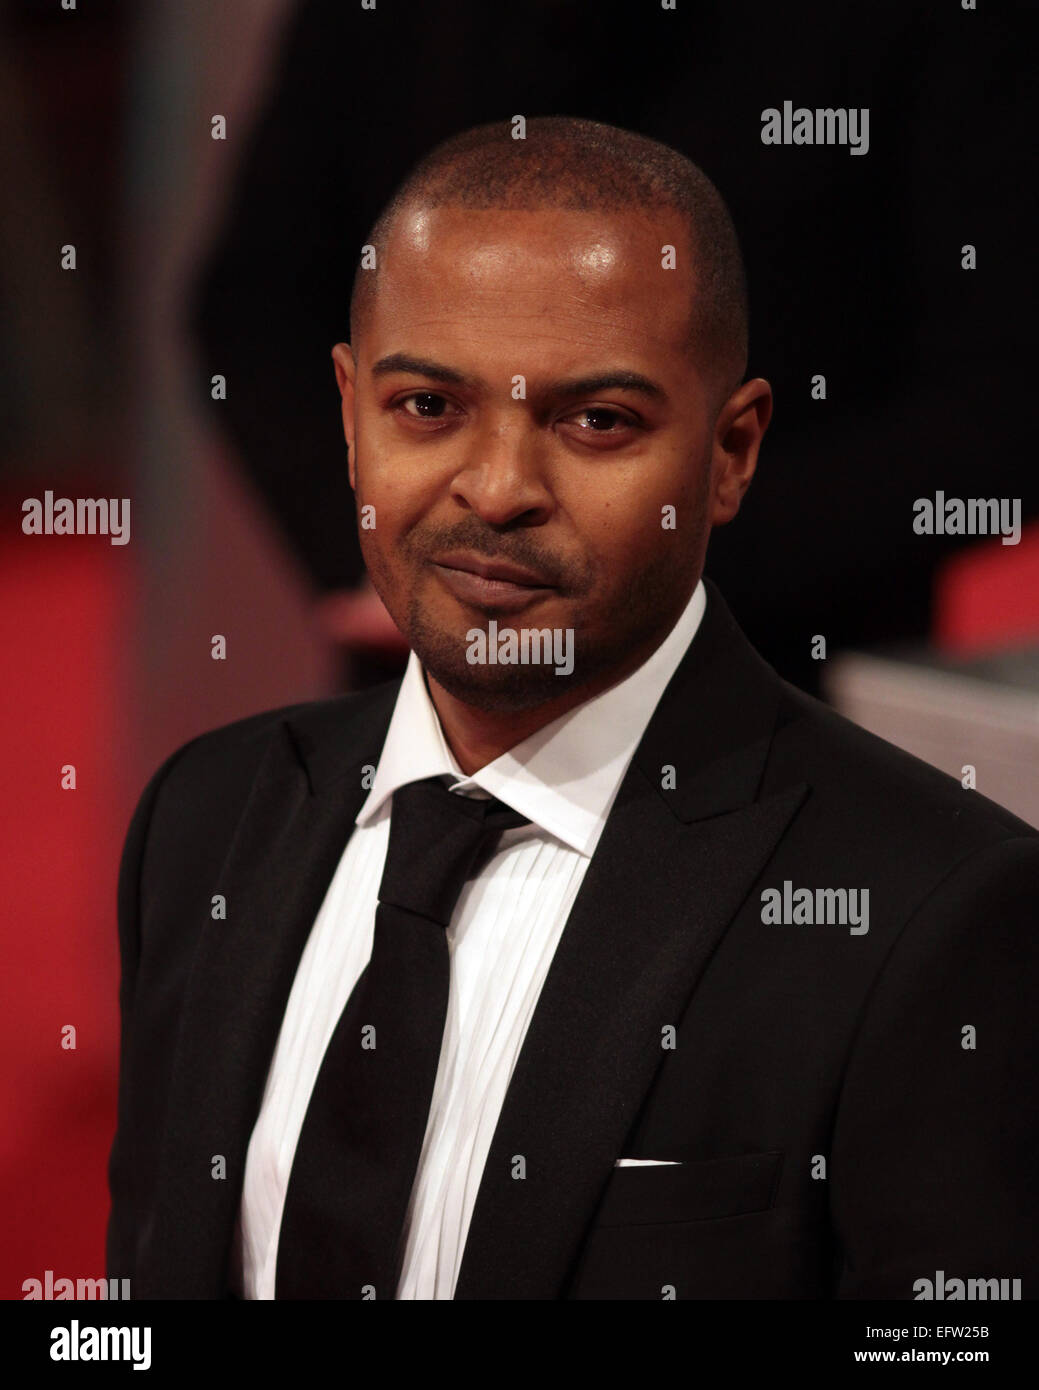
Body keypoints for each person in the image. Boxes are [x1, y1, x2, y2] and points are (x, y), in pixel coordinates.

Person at [107, 117, 1039, 1300]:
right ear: (348, 415)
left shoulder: (935, 913)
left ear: (731, 450)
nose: (497, 490)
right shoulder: (203, 819)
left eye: (595, 421)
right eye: (427, 407)